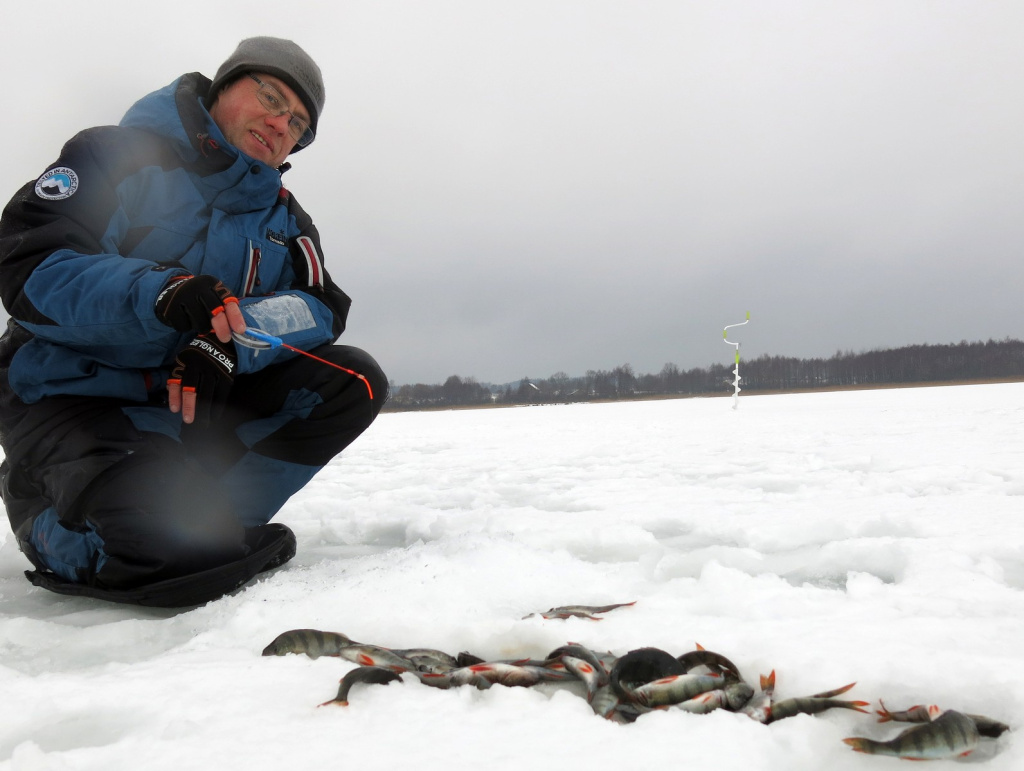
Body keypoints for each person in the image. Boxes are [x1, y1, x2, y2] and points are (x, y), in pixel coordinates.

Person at [0, 37, 388, 607]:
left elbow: (321, 304)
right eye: (270, 96)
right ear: (223, 86)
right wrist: (164, 291)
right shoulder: (112, 155)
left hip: (184, 404)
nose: (281, 123)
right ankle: (40, 507)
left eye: (299, 125)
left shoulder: (283, 215)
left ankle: (214, 527)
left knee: (353, 380)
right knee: (155, 555)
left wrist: (227, 343)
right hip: (67, 394)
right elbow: (31, 264)